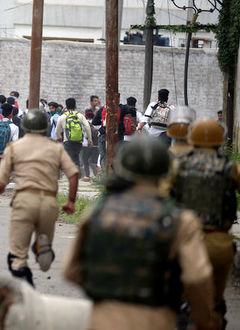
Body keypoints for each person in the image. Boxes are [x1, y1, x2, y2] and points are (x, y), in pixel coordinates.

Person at [63, 136, 218, 330]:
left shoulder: (98, 211)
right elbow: (197, 278)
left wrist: (105, 290)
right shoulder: (181, 220)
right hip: (156, 319)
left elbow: (70, 270)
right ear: (166, 170)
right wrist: (204, 320)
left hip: (102, 319)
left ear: (122, 167)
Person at [0, 109, 78, 287]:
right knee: (43, 238)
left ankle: (26, 290)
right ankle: (42, 247)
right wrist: (70, 201)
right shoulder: (56, 148)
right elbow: (73, 175)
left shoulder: (14, 148)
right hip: (49, 202)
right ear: (45, 127)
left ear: (25, 127)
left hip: (24, 201)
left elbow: (0, 182)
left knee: (18, 256)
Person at [168, 119, 238, 327]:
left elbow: (162, 196)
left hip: (185, 243)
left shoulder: (178, 165)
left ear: (192, 138)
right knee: (215, 300)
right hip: (219, 243)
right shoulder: (229, 167)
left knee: (177, 295)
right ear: (220, 140)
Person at [56, 98, 92, 172]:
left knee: (69, 158)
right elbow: (87, 127)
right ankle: (77, 171)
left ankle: (71, 175)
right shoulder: (80, 115)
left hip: (67, 141)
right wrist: (89, 139)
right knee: (76, 157)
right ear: (75, 105)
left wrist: (59, 137)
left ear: (66, 106)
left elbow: (57, 130)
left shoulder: (62, 117)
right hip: (78, 140)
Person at [80, 109, 99, 181]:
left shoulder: (84, 124)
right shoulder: (96, 124)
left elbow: (84, 135)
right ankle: (97, 176)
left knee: (85, 160)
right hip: (96, 145)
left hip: (86, 145)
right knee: (93, 162)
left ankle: (87, 176)